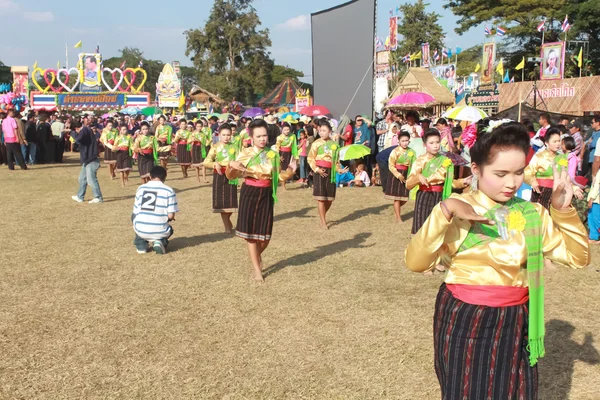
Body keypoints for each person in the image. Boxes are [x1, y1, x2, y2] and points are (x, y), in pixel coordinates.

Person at [405, 121, 589, 400]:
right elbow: (416, 262)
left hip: (517, 320)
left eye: (518, 172)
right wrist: (447, 208)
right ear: (476, 170)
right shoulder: (462, 210)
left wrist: (563, 212)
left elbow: (578, 258)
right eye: (500, 173)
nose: (511, 183)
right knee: (467, 391)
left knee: (516, 391)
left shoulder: (532, 213)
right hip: (466, 318)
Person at [226, 119, 295, 282]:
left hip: (266, 193)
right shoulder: (244, 153)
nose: (262, 139)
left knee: (265, 235)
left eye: (264, 135)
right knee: (251, 234)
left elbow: (278, 177)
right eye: (258, 136)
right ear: (251, 137)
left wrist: (291, 171)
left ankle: (256, 257)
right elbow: (231, 177)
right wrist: (231, 166)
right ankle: (257, 270)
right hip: (249, 192)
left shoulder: (273, 154)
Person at [406, 129, 469, 234]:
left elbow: (450, 182)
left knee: (438, 227)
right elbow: (408, 184)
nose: (435, 145)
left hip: (440, 196)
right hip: (424, 195)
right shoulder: (420, 161)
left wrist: (463, 182)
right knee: (422, 226)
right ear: (424, 144)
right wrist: (418, 177)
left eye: (437, 142)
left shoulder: (446, 160)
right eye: (431, 143)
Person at [525, 127, 580, 210]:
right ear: (546, 143)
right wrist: (532, 181)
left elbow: (566, 177)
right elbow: (527, 172)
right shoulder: (539, 157)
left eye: (559, 141)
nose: (557, 144)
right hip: (541, 193)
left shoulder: (562, 158)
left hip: (558, 194)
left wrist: (575, 188)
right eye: (554, 141)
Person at [132, 166, 178, 255]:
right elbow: (171, 216)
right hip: (160, 230)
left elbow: (135, 212)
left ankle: (141, 245)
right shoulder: (169, 190)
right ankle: (160, 241)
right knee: (170, 230)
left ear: (150, 176)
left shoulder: (141, 188)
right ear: (164, 177)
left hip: (140, 229)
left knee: (136, 216)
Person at [203, 123, 239, 233]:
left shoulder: (235, 146)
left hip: (231, 175)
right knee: (222, 201)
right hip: (219, 175)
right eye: (224, 135)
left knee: (231, 201)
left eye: (228, 135)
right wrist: (214, 164)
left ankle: (228, 220)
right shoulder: (215, 147)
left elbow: (240, 160)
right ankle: (227, 227)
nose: (226, 137)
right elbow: (206, 162)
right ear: (219, 135)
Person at [308, 121, 339, 229]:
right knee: (321, 198)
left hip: (331, 171)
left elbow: (336, 161)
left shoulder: (335, 144)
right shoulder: (316, 143)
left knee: (330, 198)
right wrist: (317, 169)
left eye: (324, 131)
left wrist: (339, 169)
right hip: (320, 170)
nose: (322, 133)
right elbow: (310, 158)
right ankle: (323, 221)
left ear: (330, 131)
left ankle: (323, 214)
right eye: (320, 130)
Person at [385, 131, 416, 222]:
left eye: (406, 140)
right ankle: (398, 217)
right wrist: (398, 175)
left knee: (405, 197)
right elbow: (391, 165)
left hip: (407, 173)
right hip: (396, 174)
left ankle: (396, 209)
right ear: (398, 141)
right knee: (397, 197)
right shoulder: (395, 151)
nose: (405, 142)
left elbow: (415, 164)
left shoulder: (412, 152)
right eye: (403, 141)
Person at [70, 119, 103, 203]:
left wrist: (71, 132)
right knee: (82, 178)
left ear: (76, 128)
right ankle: (80, 196)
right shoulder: (86, 130)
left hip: (92, 158)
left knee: (91, 179)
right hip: (87, 159)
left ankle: (98, 197)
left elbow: (78, 139)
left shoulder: (85, 129)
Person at [588, 168, 600, 244]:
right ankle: (593, 236)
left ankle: (597, 237)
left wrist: (592, 198)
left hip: (596, 199)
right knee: (591, 218)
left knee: (596, 219)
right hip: (594, 199)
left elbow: (597, 186)